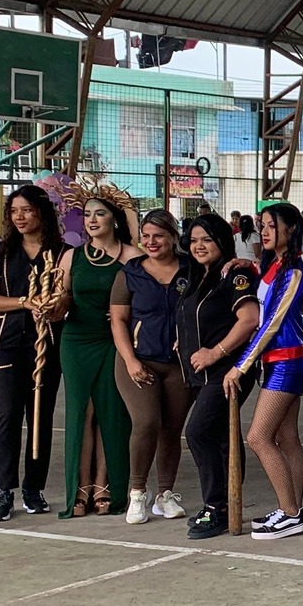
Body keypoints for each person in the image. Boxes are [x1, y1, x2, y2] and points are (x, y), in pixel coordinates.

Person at [226, 202, 303, 539]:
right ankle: (293, 509)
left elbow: (271, 324)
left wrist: (239, 366)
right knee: (287, 437)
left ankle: (290, 513)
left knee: (258, 437)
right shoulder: (275, 264)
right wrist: (246, 263)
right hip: (280, 360)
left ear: (291, 228)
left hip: (287, 362)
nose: (264, 231)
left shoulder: (294, 271)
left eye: (271, 225)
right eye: (262, 225)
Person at [0, 183, 65, 519]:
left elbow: (68, 294)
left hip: (46, 342)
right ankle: (4, 491)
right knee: (9, 413)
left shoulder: (62, 252)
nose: (20, 217)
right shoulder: (2, 252)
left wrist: (56, 306)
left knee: (41, 414)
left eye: (27, 210)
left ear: (42, 212)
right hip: (6, 342)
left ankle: (34, 488)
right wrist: (23, 302)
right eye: (14, 211)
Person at [55, 185, 138, 517]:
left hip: (114, 340)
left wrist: (126, 316)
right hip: (76, 339)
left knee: (110, 412)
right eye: (87, 214)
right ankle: (81, 486)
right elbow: (62, 296)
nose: (91, 220)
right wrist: (51, 308)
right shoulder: (71, 256)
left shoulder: (132, 256)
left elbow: (147, 298)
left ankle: (105, 484)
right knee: (82, 412)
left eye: (99, 213)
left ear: (114, 219)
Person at [178, 213, 260, 540]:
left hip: (228, 371)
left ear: (222, 241)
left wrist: (215, 352)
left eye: (207, 240)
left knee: (198, 431)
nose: (199, 246)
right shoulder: (197, 275)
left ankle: (216, 505)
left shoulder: (234, 273)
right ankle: (227, 505)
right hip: (201, 373)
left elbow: (249, 319)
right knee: (222, 436)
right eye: (194, 240)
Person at [111, 209, 192, 524]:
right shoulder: (130, 273)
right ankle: (137, 492)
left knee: (172, 429)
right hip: (139, 361)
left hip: (178, 365)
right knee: (146, 423)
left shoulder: (192, 269)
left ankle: (165, 494)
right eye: (145, 236)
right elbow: (118, 320)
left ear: (173, 236)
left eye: (158, 235)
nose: (151, 242)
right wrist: (130, 360)